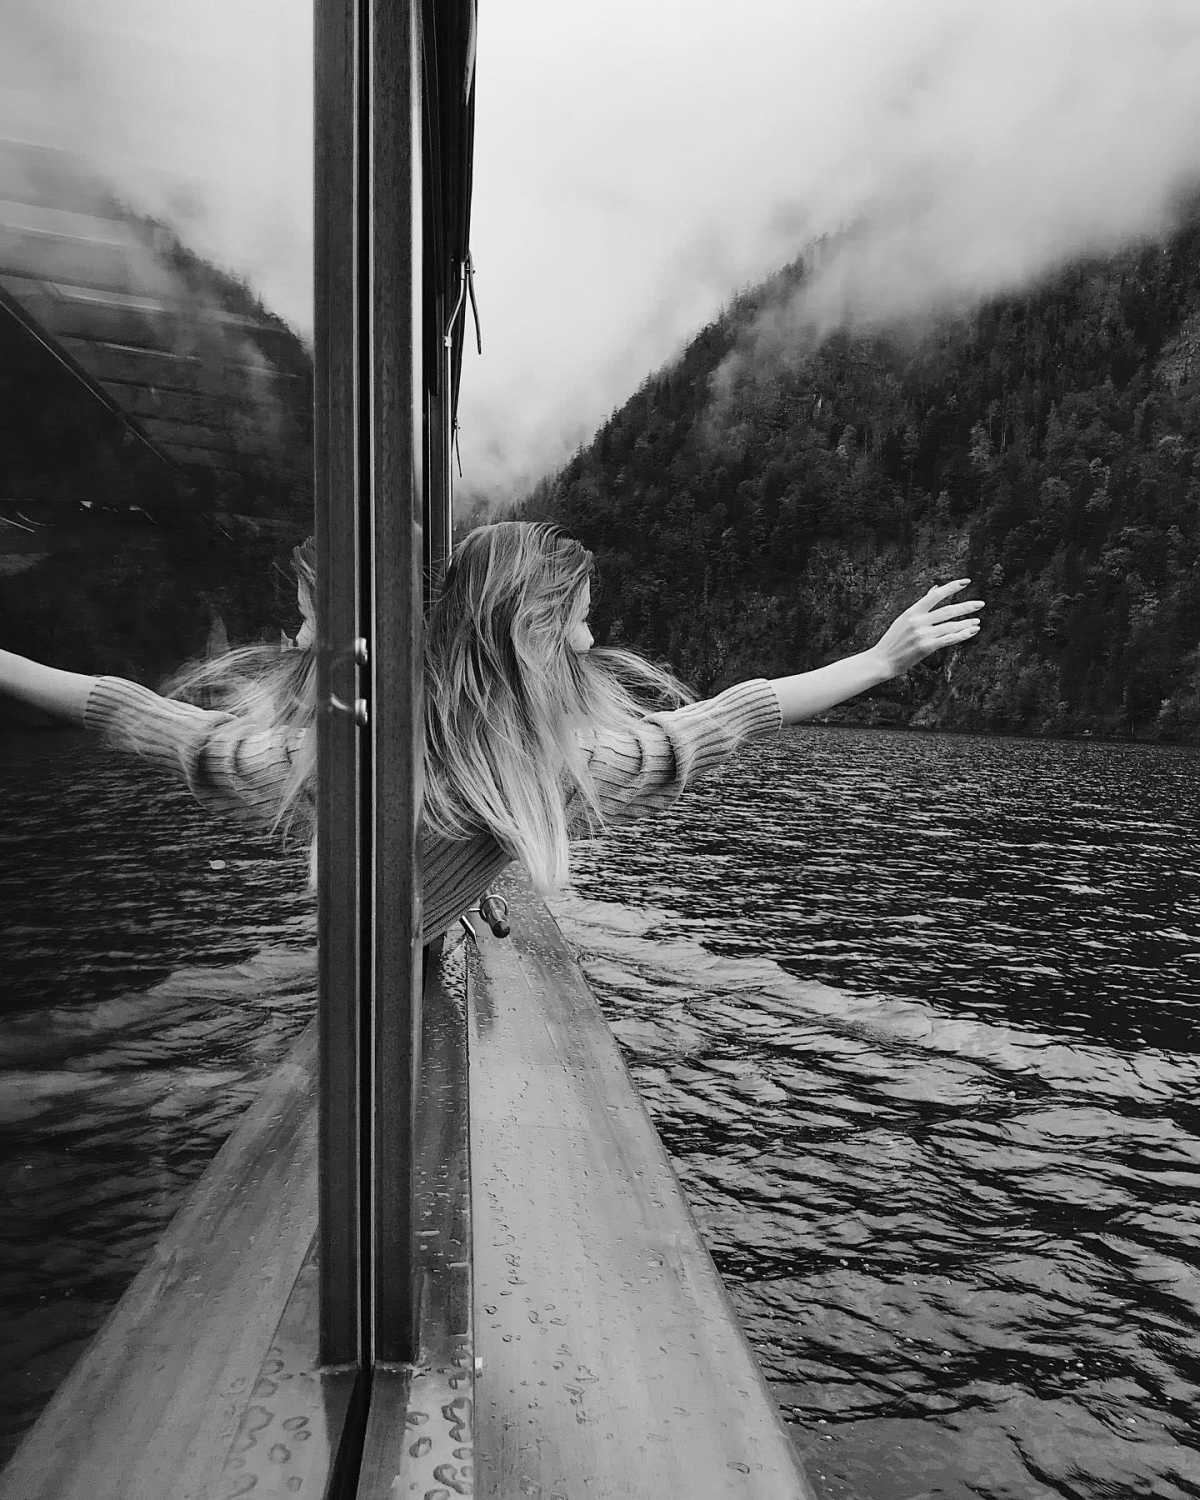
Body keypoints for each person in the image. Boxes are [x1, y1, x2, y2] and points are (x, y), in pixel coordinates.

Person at [0, 521, 983, 939]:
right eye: (579, 621)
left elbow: (145, 718)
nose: (592, 639)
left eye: (305, 619)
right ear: (532, 635)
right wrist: (875, 664)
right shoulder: (553, 766)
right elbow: (722, 722)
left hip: (367, 969)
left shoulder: (332, 749)